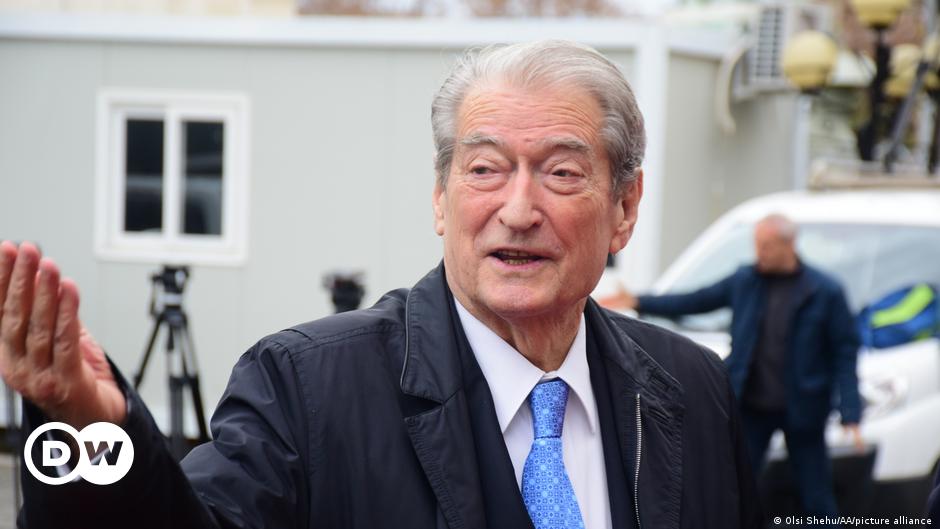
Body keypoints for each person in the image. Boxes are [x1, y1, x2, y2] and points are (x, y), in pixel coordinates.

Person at [1, 41, 762, 529]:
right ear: (441, 198)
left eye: (561, 172)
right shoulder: (306, 387)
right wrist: (87, 423)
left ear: (625, 207)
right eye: (485, 169)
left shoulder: (688, 388)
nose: (519, 209)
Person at [601, 214, 862, 524]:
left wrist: (851, 413)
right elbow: (696, 300)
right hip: (751, 406)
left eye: (767, 246)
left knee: (816, 495)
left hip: (804, 409)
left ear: (789, 245)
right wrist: (639, 301)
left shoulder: (824, 292)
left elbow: (845, 352)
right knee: (736, 485)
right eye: (757, 246)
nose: (760, 253)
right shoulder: (746, 281)